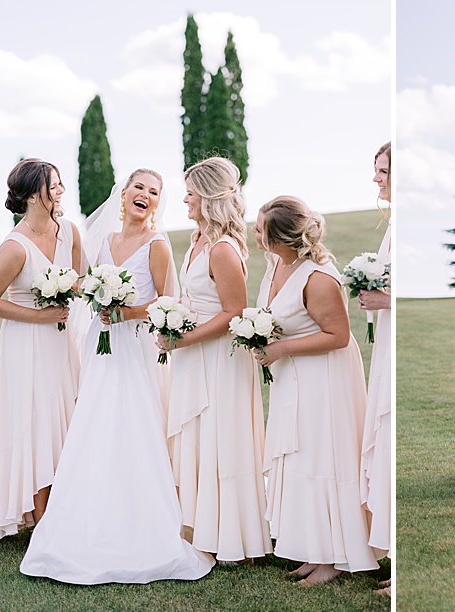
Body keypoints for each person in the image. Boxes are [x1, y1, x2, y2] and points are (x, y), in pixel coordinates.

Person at [20, 169, 212, 584]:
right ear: (122, 194)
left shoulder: (157, 244)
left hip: (136, 346)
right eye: (139, 187)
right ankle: (88, 511)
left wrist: (126, 312)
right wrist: (93, 296)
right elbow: (88, 285)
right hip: (101, 343)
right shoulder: (103, 240)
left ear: (156, 203)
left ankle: (142, 516)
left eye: (154, 192)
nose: (145, 195)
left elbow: (167, 301)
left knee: (135, 423)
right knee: (95, 422)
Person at [253, 196, 379, 585]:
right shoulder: (277, 264)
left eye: (259, 229)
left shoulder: (319, 278)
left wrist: (280, 349)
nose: (253, 233)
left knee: (322, 459)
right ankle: (312, 550)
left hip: (324, 380)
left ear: (279, 239)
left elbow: (338, 336)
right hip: (293, 378)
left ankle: (333, 558)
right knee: (300, 461)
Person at [164, 157, 272, 562]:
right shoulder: (198, 240)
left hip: (220, 360)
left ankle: (232, 535)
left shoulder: (223, 248)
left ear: (209, 197)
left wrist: (183, 338)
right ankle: (200, 526)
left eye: (190, 192)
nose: (185, 199)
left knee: (221, 440)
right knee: (199, 438)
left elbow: (233, 313)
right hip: (195, 355)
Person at [0, 159, 82, 540]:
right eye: (53, 186)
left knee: (67, 419)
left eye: (60, 184)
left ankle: (71, 510)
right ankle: (43, 525)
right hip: (27, 343)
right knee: (37, 424)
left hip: (61, 339)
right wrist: (39, 316)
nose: (60, 191)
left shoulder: (69, 231)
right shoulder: (14, 246)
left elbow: (79, 279)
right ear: (34, 195)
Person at [357, 142, 392, 593]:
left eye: (383, 170)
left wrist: (386, 300)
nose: (376, 179)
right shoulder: (390, 227)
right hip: (384, 340)